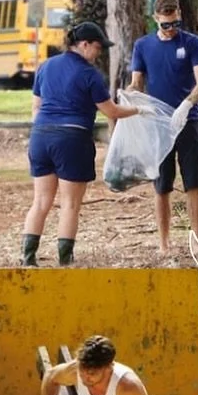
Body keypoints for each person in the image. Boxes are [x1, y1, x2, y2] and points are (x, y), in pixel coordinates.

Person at [22, 23, 137, 267]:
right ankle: (65, 259)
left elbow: (36, 107)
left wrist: (46, 128)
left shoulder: (46, 66)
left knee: (40, 201)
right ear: (84, 45)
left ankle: (28, 258)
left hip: (40, 136)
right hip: (72, 139)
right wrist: (139, 110)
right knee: (70, 204)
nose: (99, 53)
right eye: (97, 47)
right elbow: (111, 111)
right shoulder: (89, 74)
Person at [129, 0, 198, 257]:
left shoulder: (192, 42)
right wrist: (129, 96)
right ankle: (164, 242)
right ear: (156, 19)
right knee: (161, 183)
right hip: (158, 123)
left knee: (194, 182)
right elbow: (137, 83)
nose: (171, 29)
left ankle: (196, 239)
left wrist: (186, 105)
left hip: (188, 120)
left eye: (175, 23)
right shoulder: (143, 46)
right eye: (166, 25)